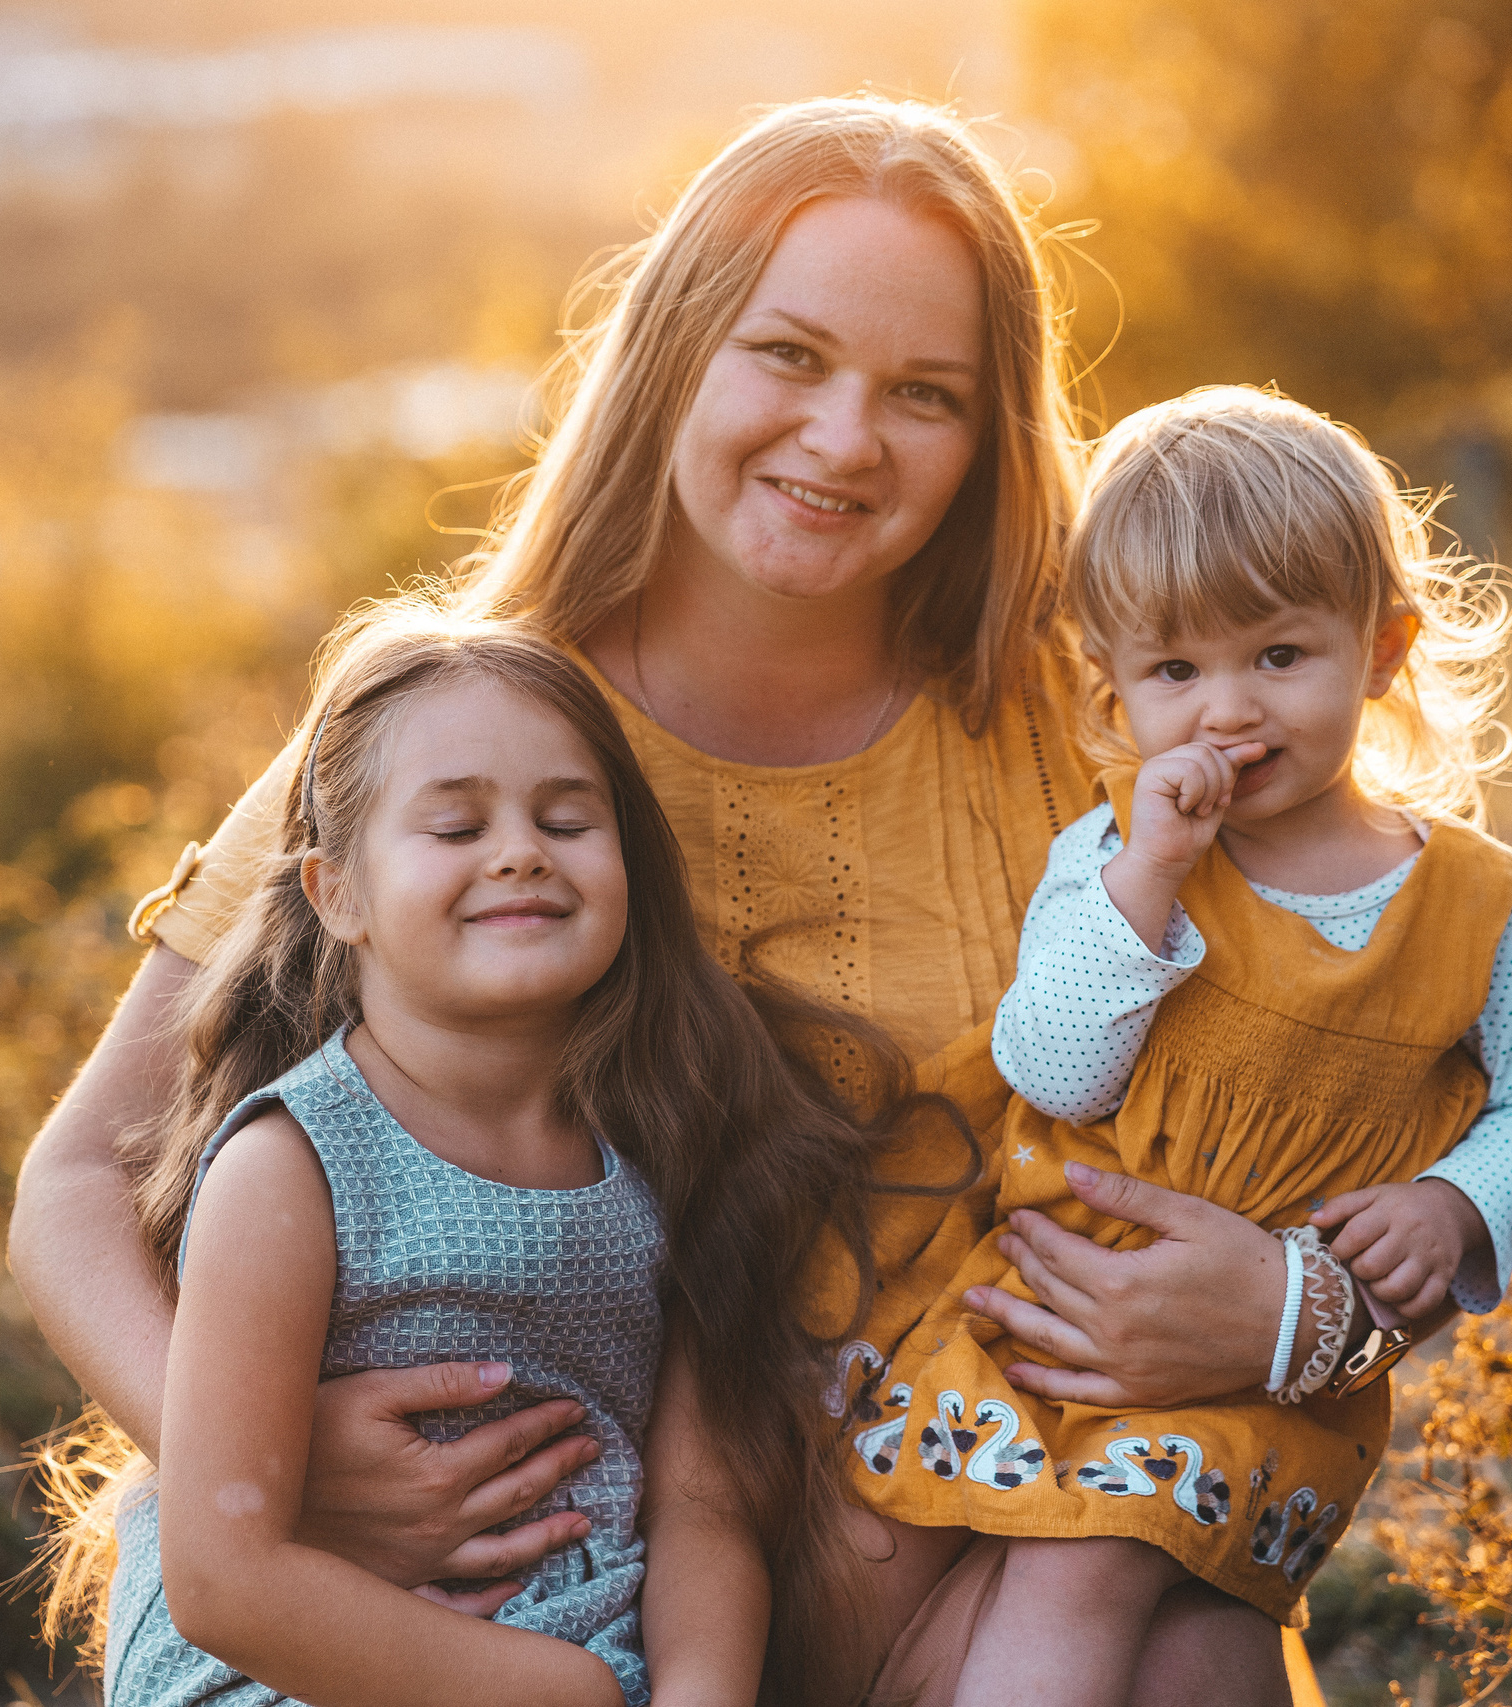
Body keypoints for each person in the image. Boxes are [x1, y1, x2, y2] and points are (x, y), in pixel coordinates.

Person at [8, 97, 1512, 1699]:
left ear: (989, 435)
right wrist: (261, 1458)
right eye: (789, 355)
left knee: (1205, 1659)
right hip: (562, 1586)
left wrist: (1300, 1315)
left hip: (1007, 1545)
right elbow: (74, 1183)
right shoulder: (465, 745)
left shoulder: (1094, 713)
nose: (844, 439)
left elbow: (1388, 1036)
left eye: (925, 394)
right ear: (678, 345)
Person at [835, 386, 1512, 1705]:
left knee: (1090, 1566)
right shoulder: (1118, 856)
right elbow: (1057, 1065)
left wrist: (1457, 1200)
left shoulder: (1462, 895)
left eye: (1279, 655)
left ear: (1382, 646)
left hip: (1265, 1363)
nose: (1228, 710)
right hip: (1042, 1324)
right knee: (938, 1560)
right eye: (1177, 671)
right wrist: (1155, 874)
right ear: (1114, 686)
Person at [72, 607, 932, 1706]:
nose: (520, 850)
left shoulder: (670, 1146)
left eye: (567, 820)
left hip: (598, 1657)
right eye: (456, 827)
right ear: (337, 894)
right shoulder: (292, 1167)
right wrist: (549, 1690)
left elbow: (703, 1508)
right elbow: (223, 1580)